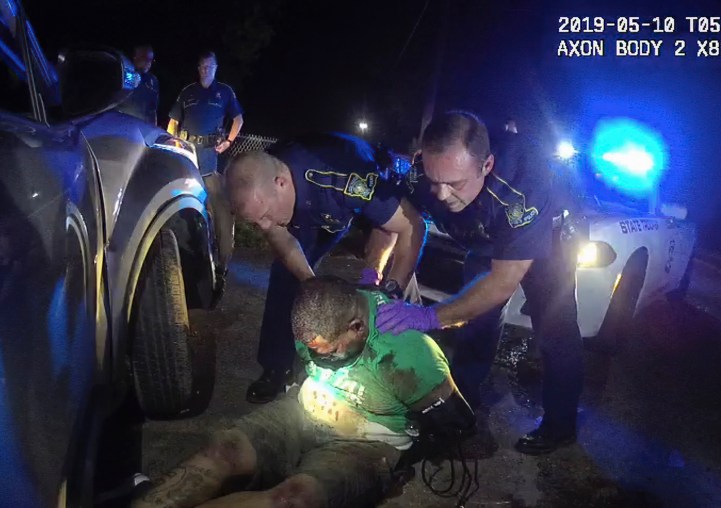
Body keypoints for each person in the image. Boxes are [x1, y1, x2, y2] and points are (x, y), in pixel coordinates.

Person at [131, 277, 475, 508]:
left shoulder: (407, 355)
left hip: (368, 442)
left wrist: (399, 465)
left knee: (293, 498)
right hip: (305, 410)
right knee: (225, 448)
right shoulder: (314, 319)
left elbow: (455, 423)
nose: (320, 356)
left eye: (329, 351)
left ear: (356, 328)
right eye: (313, 349)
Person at [375, 111, 583, 455]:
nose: (440, 194)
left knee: (555, 331)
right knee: (475, 324)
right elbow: (394, 221)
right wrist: (382, 278)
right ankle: (463, 409)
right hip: (486, 240)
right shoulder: (425, 175)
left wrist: (430, 317)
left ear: (485, 166)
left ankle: (560, 425)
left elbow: (503, 281)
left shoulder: (519, 190)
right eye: (433, 179)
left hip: (549, 243)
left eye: (454, 184)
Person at [224, 132, 426, 404]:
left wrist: (383, 284)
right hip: (304, 215)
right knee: (285, 277)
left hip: (343, 205)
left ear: (281, 183)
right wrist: (311, 285)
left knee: (395, 285)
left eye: (264, 217)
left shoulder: (346, 176)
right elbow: (282, 241)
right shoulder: (267, 190)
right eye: (255, 222)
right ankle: (276, 367)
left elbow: (404, 227)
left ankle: (411, 371)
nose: (262, 226)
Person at [168, 51, 244, 269]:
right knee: (182, 207)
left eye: (209, 66)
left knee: (221, 210)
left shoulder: (224, 92)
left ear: (216, 68)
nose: (205, 70)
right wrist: (173, 145)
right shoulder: (188, 92)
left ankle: (223, 263)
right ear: (198, 68)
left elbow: (238, 119)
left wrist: (229, 141)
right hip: (187, 161)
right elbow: (173, 122)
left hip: (211, 163)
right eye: (202, 66)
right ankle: (181, 257)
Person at [118, 45, 159, 124]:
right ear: (135, 57)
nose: (148, 63)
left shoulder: (153, 81)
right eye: (145, 58)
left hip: (142, 128)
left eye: (150, 60)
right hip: (120, 125)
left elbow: (153, 109)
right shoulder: (124, 74)